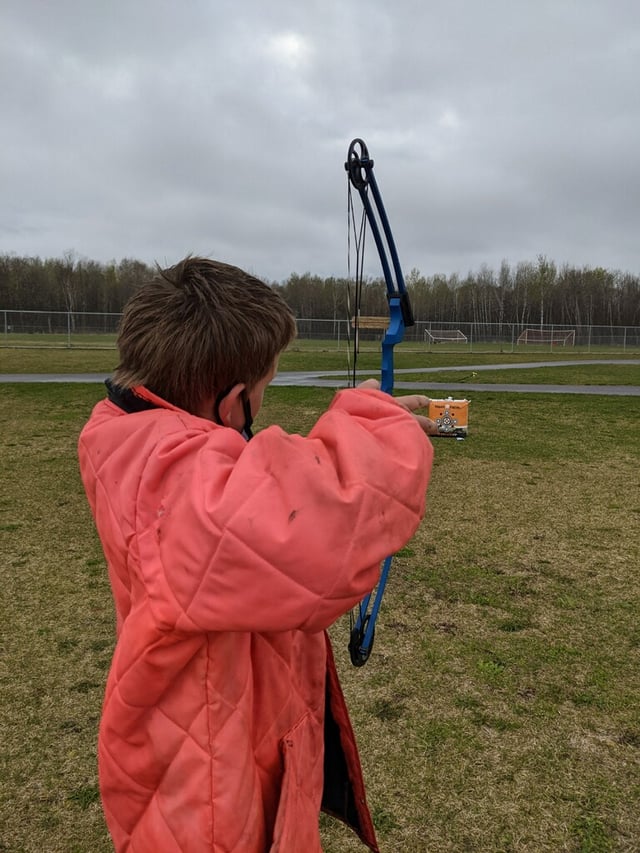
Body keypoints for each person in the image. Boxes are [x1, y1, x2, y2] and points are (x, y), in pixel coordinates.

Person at [78, 256, 435, 853]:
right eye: (266, 386)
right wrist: (377, 424)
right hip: (203, 796)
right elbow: (322, 527)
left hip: (221, 745)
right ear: (232, 401)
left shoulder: (130, 436)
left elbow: (243, 485)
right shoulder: (170, 483)